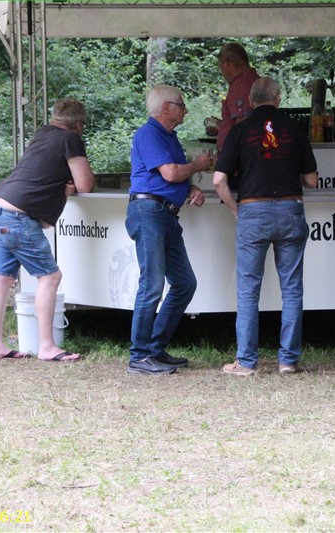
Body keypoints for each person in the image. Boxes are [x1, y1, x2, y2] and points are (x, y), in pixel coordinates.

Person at [213, 77, 319, 376]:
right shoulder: (294, 129)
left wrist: (236, 210)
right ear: (279, 98)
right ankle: (288, 360)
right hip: (290, 209)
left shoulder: (239, 130)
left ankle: (246, 362)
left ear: (250, 100)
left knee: (248, 290)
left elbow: (219, 180)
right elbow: (311, 179)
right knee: (292, 288)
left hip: (253, 210)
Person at [0, 98, 95, 362]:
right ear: (78, 124)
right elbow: (86, 184)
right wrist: (72, 185)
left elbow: (44, 171)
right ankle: (47, 346)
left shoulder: (43, 133)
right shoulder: (70, 139)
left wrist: (64, 184)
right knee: (50, 277)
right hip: (19, 217)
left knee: (1, 279)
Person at [126, 85, 212, 375]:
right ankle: (139, 357)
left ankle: (154, 349)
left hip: (164, 213)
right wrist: (197, 165)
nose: (185, 109)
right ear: (166, 108)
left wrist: (190, 188)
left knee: (184, 283)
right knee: (152, 285)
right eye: (181, 104)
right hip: (149, 212)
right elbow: (171, 172)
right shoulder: (148, 134)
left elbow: (173, 177)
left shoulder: (169, 136)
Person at [209, 43, 260, 152]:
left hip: (238, 155)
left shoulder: (240, 85)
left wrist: (230, 156)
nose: (221, 71)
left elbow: (243, 124)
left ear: (226, 63)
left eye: (220, 66)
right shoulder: (254, 80)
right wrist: (223, 126)